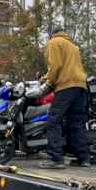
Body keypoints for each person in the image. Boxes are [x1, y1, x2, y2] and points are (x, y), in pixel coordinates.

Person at [37, 27, 89, 170]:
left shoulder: (54, 42)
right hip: (81, 86)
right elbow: (68, 67)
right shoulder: (73, 46)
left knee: (53, 121)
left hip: (66, 86)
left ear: (51, 35)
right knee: (76, 123)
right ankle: (83, 158)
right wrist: (47, 78)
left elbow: (55, 66)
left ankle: (56, 159)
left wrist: (47, 82)